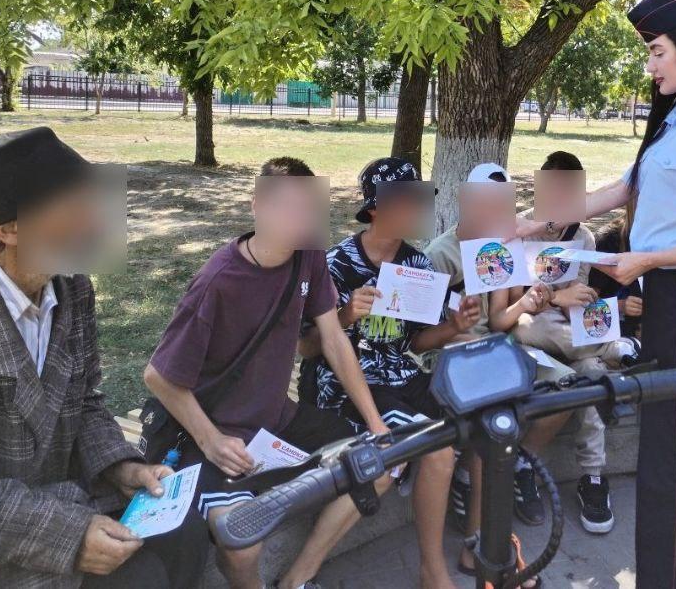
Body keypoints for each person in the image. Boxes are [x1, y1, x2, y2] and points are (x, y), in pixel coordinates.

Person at [515, 0, 676, 587]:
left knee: (669, 444)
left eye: (657, 51)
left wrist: (647, 260)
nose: (650, 65)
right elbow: (623, 188)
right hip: (665, 293)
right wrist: (537, 221)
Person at [0, 126, 209, 588]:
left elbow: (84, 400)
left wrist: (122, 467)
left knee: (187, 532)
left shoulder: (72, 289)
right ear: (10, 229)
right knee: (141, 578)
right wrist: (67, 535)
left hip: (69, 494)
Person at [144, 157, 392, 589]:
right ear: (257, 205)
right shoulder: (217, 282)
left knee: (380, 465)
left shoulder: (308, 255)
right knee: (242, 541)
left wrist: (374, 423)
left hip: (279, 421)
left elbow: (332, 339)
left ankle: (298, 577)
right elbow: (158, 376)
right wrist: (211, 440)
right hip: (215, 433)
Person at [296, 157, 482, 588]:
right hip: (344, 383)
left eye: (419, 201)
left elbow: (413, 343)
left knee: (481, 419)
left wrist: (453, 327)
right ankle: (432, 571)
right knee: (434, 447)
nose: (415, 210)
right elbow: (306, 348)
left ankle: (476, 539)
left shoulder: (418, 266)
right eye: (404, 201)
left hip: (401, 375)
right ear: (375, 208)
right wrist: (344, 315)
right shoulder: (334, 264)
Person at [423, 162, 572, 543]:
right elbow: (423, 338)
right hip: (452, 356)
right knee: (494, 415)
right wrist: (457, 329)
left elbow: (499, 322)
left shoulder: (503, 247)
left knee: (568, 386)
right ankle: (478, 532)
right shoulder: (439, 254)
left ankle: (519, 462)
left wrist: (528, 304)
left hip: (498, 352)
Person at [506, 150, 634, 534]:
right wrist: (557, 297)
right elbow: (511, 304)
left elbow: (577, 295)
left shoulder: (584, 235)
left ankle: (592, 477)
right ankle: (618, 351)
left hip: (570, 335)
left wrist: (581, 298)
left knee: (593, 375)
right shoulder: (521, 228)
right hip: (526, 326)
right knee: (537, 326)